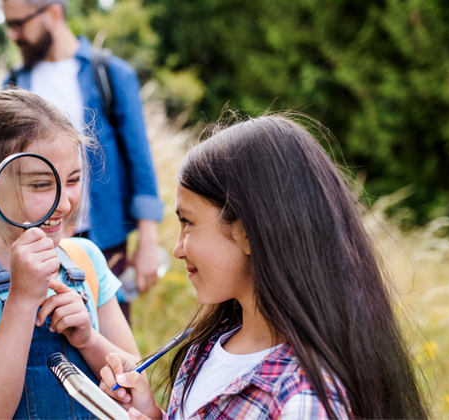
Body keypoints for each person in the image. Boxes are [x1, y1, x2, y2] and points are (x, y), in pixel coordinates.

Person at [99, 115, 429, 420]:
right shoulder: (208, 344)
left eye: (188, 222)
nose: (177, 248)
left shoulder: (304, 399)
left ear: (248, 233)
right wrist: (149, 411)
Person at [0, 89, 140, 419]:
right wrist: (22, 299)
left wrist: (88, 340)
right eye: (41, 184)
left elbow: (136, 389)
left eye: (73, 180)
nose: (65, 203)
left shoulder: (86, 259)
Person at [1, 0, 163, 321]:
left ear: (53, 14)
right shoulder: (14, 86)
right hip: (41, 237)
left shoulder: (111, 74)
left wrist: (148, 238)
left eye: (19, 24)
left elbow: (139, 159)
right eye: (9, 25)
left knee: (110, 337)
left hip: (107, 240)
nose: (12, 34)